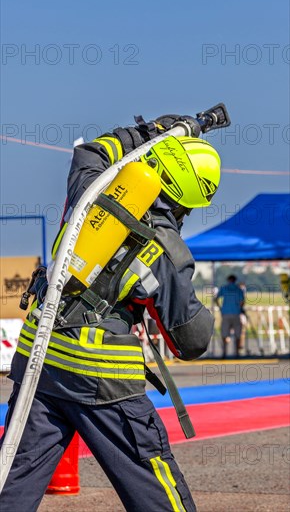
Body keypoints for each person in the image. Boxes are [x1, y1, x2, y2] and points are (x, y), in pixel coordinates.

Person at [0, 113, 221, 512]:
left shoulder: (90, 189)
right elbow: (191, 339)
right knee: (158, 491)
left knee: (11, 484)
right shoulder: (164, 248)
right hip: (103, 382)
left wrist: (149, 131)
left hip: (41, 363)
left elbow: (94, 150)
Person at [215, 274, 245, 358]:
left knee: (224, 334)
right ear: (235, 280)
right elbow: (242, 301)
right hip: (236, 313)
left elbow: (216, 298)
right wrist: (239, 308)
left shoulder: (224, 288)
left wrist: (220, 308)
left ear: (228, 280)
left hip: (225, 313)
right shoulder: (239, 289)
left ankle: (224, 352)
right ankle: (237, 353)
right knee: (237, 334)